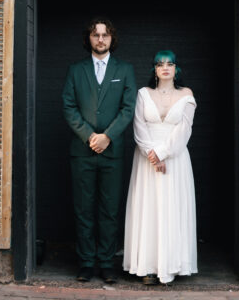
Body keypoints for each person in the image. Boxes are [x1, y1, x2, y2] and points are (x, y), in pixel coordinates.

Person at [62, 18, 137, 283]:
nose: (101, 39)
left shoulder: (124, 69)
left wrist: (107, 136)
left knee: (109, 210)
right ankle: (86, 263)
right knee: (83, 209)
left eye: (105, 35)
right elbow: (69, 108)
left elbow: (128, 109)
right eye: (96, 35)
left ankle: (106, 263)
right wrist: (89, 136)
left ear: (111, 38)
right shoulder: (76, 69)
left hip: (112, 152)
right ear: (89, 39)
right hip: (82, 152)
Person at [123, 50, 198, 285]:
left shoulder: (186, 95)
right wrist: (152, 155)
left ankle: (172, 265)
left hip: (175, 159)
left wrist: (163, 153)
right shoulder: (143, 94)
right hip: (147, 160)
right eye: (160, 64)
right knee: (149, 208)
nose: (165, 67)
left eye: (170, 63)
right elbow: (139, 127)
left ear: (176, 69)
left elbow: (184, 130)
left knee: (172, 208)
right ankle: (148, 266)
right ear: (154, 70)